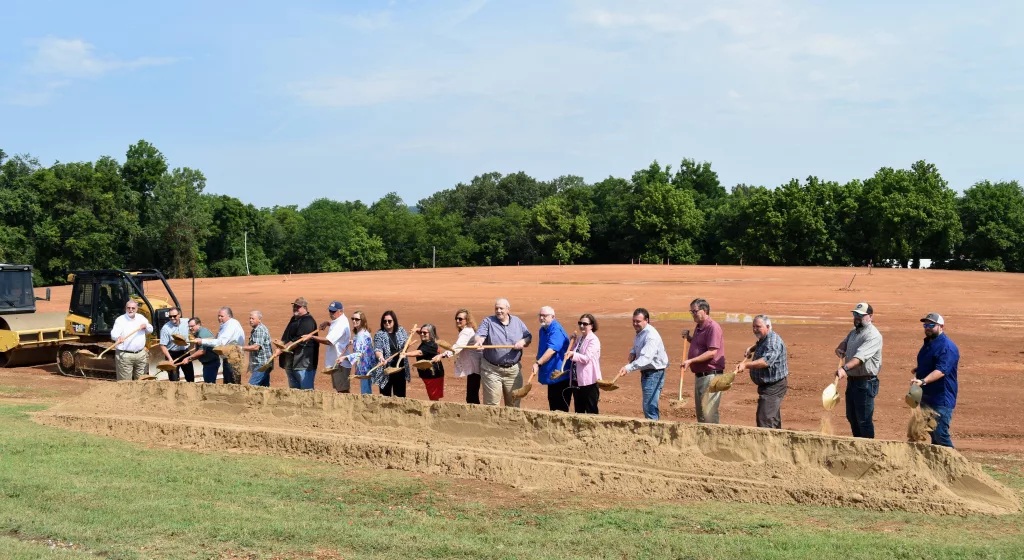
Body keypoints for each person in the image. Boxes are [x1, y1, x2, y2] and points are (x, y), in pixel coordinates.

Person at [834, 302, 884, 439]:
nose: (857, 317)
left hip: (866, 383)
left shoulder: (873, 335)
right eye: (855, 314)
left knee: (864, 420)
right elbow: (845, 341)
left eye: (860, 315)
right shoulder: (854, 331)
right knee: (852, 417)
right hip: (853, 381)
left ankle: (868, 449)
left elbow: (860, 358)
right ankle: (858, 445)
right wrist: (841, 348)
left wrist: (844, 368)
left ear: (870, 316)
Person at [912, 313, 960, 448]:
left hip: (941, 398)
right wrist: (919, 370)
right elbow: (933, 364)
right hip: (927, 397)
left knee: (940, 434)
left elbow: (941, 371)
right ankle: (938, 467)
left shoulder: (947, 347)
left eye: (931, 325)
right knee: (933, 434)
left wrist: (923, 381)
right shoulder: (929, 343)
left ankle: (955, 466)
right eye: (925, 325)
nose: (927, 328)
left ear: (941, 326)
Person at [473, 298, 532, 407]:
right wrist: (479, 341)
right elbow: (480, 335)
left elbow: (528, 336)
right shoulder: (488, 321)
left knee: (514, 404)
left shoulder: (517, 322)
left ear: (508, 310)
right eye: (496, 308)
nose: (498, 311)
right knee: (492, 404)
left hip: (513, 370)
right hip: (492, 370)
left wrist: (523, 341)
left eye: (501, 308)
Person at [618, 308, 669, 420]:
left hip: (653, 374)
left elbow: (646, 358)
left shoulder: (651, 336)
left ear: (646, 320)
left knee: (650, 407)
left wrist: (628, 368)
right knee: (648, 406)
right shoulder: (642, 332)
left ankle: (653, 432)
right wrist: (633, 352)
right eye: (634, 321)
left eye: (638, 321)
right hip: (648, 373)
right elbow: (640, 345)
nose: (635, 324)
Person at [681, 298, 726, 424]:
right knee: (701, 414)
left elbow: (712, 352)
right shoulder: (699, 326)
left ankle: (713, 441)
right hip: (701, 376)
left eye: (695, 311)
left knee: (709, 413)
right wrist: (689, 338)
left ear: (704, 310)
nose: (693, 315)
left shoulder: (713, 327)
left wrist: (691, 361)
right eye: (691, 312)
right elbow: (700, 346)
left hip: (712, 376)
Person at [739, 315, 789, 429]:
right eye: (753, 326)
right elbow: (760, 343)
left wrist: (745, 365)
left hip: (774, 386)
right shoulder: (765, 337)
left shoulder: (773, 341)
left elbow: (766, 361)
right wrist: (751, 349)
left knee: (764, 418)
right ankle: (777, 443)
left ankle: (768, 445)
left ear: (767, 326)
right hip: (767, 385)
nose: (755, 329)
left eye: (758, 327)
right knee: (771, 419)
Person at [194, 306, 246, 384]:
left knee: (231, 383)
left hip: (232, 359)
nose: (219, 318)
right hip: (230, 358)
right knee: (229, 382)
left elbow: (221, 342)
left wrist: (202, 341)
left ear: (229, 316)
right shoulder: (228, 324)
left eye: (222, 316)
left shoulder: (231, 325)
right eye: (218, 316)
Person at [533, 306, 571, 411]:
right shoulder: (543, 329)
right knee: (553, 404)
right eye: (540, 315)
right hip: (552, 375)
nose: (542, 318)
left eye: (545, 316)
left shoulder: (556, 330)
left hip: (561, 375)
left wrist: (538, 363)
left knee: (561, 407)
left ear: (553, 317)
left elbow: (551, 350)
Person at [442, 309, 482, 404]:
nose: (457, 321)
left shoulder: (466, 331)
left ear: (467, 320)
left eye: (460, 319)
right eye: (456, 318)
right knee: (472, 394)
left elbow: (458, 347)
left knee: (472, 396)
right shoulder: (467, 330)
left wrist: (443, 355)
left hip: (474, 367)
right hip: (475, 366)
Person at [311, 301, 352, 393]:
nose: (331, 313)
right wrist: (328, 323)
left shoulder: (341, 324)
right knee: (340, 389)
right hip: (337, 362)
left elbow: (328, 341)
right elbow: (335, 324)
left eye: (333, 312)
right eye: (330, 311)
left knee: (342, 390)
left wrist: (312, 337)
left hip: (340, 363)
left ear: (340, 311)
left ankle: (345, 407)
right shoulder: (340, 320)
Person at [565, 313, 601, 414]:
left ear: (591, 326)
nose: (581, 326)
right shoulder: (581, 338)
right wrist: (571, 341)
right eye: (580, 323)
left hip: (589, 381)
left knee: (591, 410)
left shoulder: (593, 340)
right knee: (579, 410)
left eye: (585, 324)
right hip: (578, 380)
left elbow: (586, 358)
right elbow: (573, 350)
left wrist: (572, 354)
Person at [280, 297, 319, 390]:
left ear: (304, 307)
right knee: (294, 390)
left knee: (306, 390)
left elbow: (298, 341)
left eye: (298, 307)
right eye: (294, 306)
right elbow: (286, 336)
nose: (295, 308)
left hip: (303, 363)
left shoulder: (308, 321)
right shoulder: (294, 319)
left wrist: (283, 349)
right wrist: (281, 345)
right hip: (291, 361)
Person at [110, 300, 154, 381]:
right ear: (125, 309)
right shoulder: (120, 320)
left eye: (133, 308)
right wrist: (118, 337)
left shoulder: (141, 318)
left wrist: (146, 326)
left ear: (137, 309)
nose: (131, 310)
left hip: (140, 354)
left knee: (141, 381)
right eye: (128, 308)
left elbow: (150, 329)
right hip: (125, 355)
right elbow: (114, 334)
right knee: (125, 382)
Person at [373, 310, 410, 397]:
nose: (387, 323)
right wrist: (381, 358)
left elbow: (407, 341)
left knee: (400, 396)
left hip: (399, 368)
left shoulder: (401, 330)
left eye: (389, 321)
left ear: (394, 321)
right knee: (385, 396)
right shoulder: (379, 334)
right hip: (386, 370)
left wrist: (406, 345)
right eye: (385, 321)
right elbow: (378, 349)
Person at [407, 324, 445, 401]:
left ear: (431, 334)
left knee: (433, 397)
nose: (422, 334)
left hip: (433, 375)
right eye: (421, 332)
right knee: (432, 396)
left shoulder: (431, 345)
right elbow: (423, 334)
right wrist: (417, 329)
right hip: (429, 374)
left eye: (425, 333)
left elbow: (419, 353)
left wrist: (405, 354)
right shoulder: (428, 340)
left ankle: (435, 411)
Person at [158, 307, 192, 382]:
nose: (172, 318)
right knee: (174, 380)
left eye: (174, 316)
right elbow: (162, 345)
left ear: (179, 315)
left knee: (190, 378)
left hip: (185, 353)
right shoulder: (165, 328)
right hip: (172, 355)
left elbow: (195, 327)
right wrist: (170, 359)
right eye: (170, 316)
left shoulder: (187, 322)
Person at [183, 317, 220, 384]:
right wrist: (190, 359)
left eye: (192, 326)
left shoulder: (202, 334)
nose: (190, 328)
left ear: (198, 324)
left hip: (211, 363)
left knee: (209, 385)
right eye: (189, 327)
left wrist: (188, 358)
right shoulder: (198, 333)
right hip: (208, 363)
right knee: (208, 383)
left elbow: (201, 351)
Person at [241, 310, 273, 387]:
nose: (250, 320)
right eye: (250, 318)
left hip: (262, 364)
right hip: (264, 364)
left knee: (251, 387)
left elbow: (256, 347)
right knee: (264, 388)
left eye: (253, 318)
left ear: (259, 320)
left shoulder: (260, 330)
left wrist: (241, 348)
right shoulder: (256, 330)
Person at [349, 310, 377, 395]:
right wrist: (353, 342)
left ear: (362, 321)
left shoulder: (362, 335)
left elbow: (359, 353)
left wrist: (345, 358)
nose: (354, 321)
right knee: (366, 390)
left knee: (365, 393)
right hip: (366, 367)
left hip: (365, 368)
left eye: (357, 319)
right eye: (353, 319)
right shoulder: (362, 332)